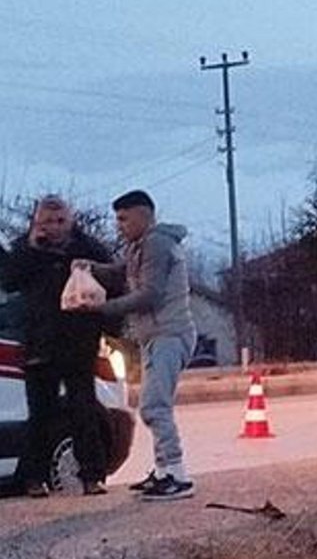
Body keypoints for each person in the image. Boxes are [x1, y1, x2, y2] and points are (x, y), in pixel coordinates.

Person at [77, 190, 197, 501]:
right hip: (156, 337)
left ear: (143, 214)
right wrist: (91, 268)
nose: (119, 225)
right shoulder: (139, 246)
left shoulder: (156, 243)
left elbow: (150, 295)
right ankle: (163, 471)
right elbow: (121, 270)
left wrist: (102, 308)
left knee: (154, 406)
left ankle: (177, 474)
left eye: (123, 218)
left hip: (169, 335)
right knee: (154, 405)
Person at [0, 195, 115, 497]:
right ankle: (34, 478)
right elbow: (9, 281)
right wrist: (32, 248)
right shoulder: (25, 250)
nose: (54, 227)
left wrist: (106, 326)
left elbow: (114, 283)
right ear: (37, 223)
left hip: (79, 340)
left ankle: (93, 476)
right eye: (47, 221)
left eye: (60, 221)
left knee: (83, 410)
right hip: (39, 343)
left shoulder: (88, 250)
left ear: (71, 220)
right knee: (41, 414)